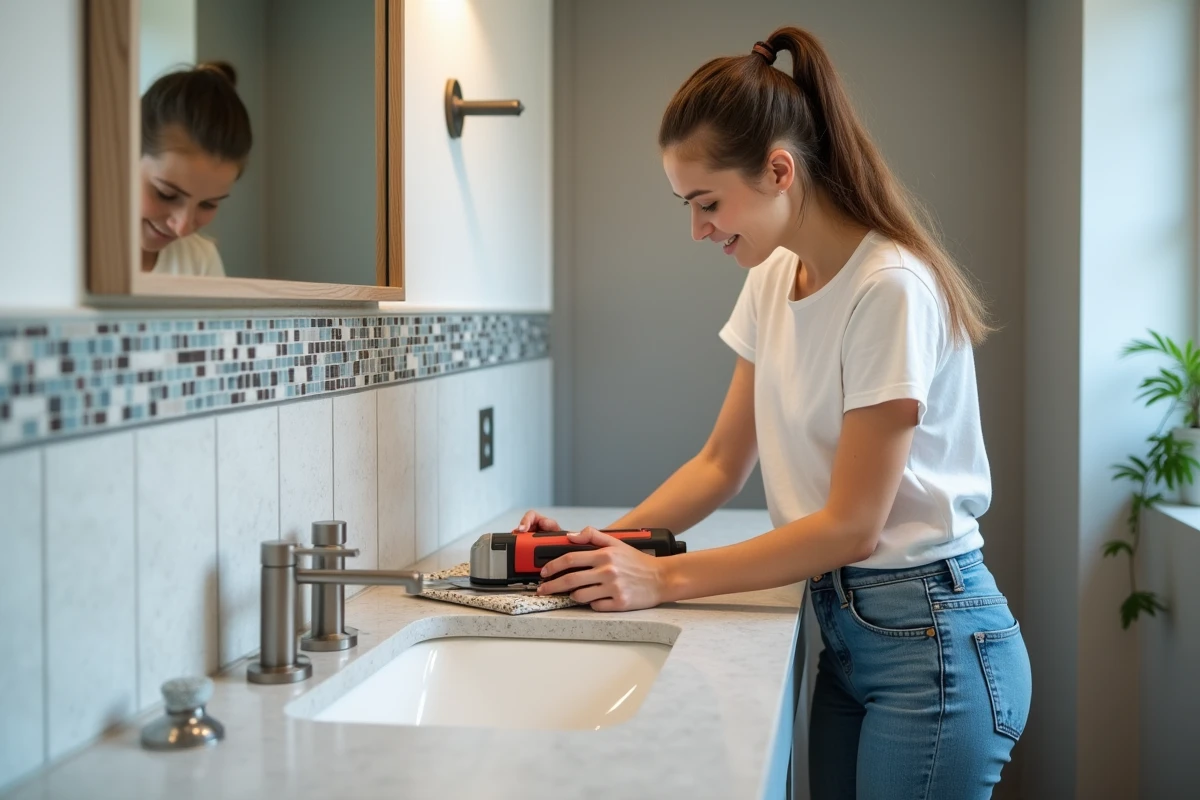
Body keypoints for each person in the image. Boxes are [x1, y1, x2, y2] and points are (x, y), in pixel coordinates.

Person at [516, 26, 1031, 800]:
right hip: (852, 632)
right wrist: (607, 548)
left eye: (708, 202)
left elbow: (853, 525)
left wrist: (661, 578)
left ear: (779, 170)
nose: (698, 229)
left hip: (933, 640)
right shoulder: (772, 279)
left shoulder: (888, 288)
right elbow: (723, 461)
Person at [139, 61, 251, 277]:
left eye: (208, 204)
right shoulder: (66, 249)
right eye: (166, 194)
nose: (182, 227)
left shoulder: (200, 259)